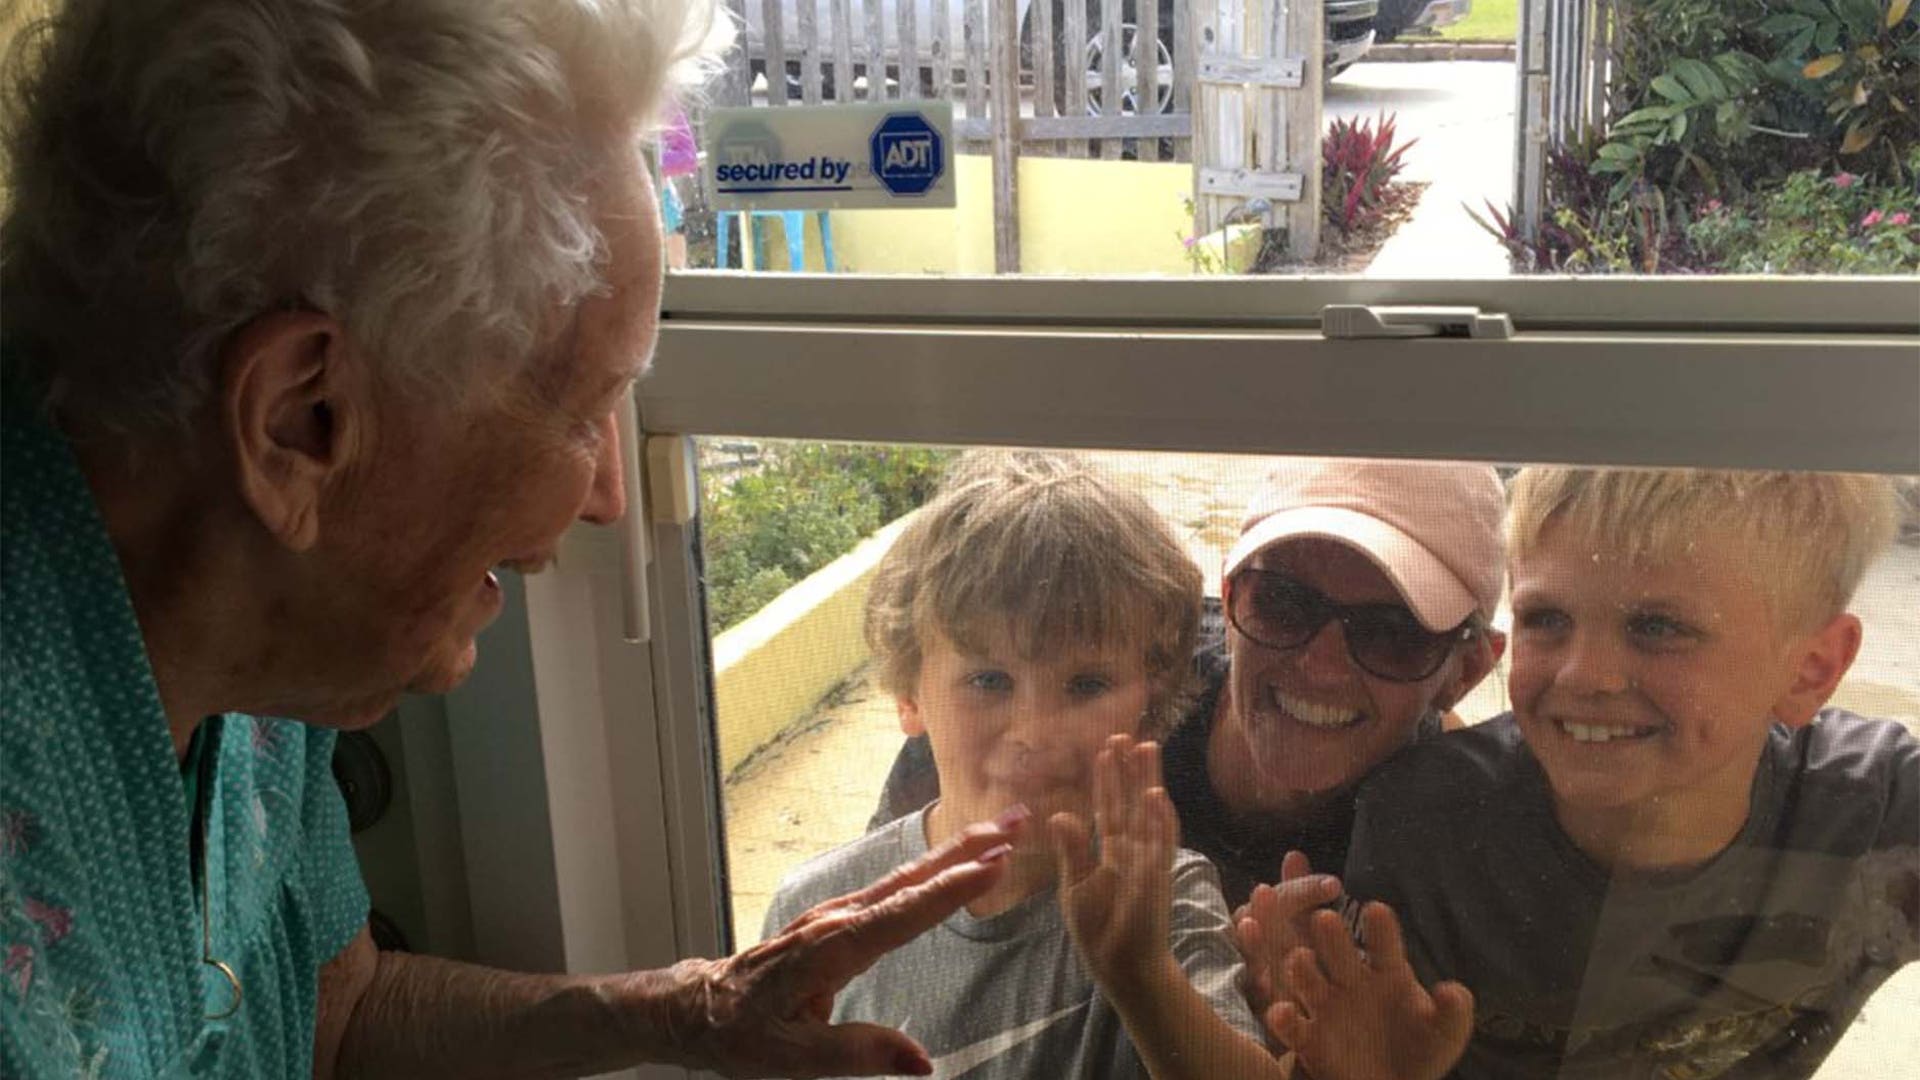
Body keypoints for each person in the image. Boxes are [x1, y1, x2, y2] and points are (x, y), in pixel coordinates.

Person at [0, 2, 1025, 1077]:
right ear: (301, 420)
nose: (608, 499)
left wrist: (688, 1015)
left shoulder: (256, 615)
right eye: (583, 410)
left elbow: (339, 1010)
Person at [765, 450, 1466, 1080]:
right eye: (989, 680)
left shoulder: (1165, 899)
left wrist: (1140, 974)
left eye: (1086, 685)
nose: (1035, 732)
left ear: (1153, 701)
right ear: (908, 696)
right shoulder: (816, 910)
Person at [1333, 467, 1918, 1078]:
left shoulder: (1879, 808)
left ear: (1810, 669)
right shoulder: (1424, 825)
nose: (1584, 675)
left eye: (1658, 627)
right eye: (1546, 618)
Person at [873, 457, 1508, 907]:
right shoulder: (1123, 670)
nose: (1323, 665)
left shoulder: (1447, 837)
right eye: (1284, 603)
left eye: (1392, 634)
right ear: (1229, 599)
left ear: (1466, 671)